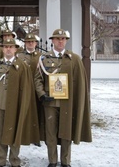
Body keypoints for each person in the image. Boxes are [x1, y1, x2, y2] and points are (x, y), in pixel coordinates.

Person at [34, 29, 92, 167]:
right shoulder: (44, 58)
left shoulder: (74, 58)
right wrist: (42, 94)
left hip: (68, 103)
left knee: (66, 132)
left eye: (63, 39)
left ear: (66, 41)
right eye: (57, 38)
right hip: (50, 102)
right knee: (50, 132)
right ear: (52, 40)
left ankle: (66, 161)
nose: (60, 41)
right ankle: (53, 161)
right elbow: (37, 79)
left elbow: (79, 82)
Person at [0, 38, 39, 167]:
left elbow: (26, 88)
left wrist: (23, 105)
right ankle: (1, 159)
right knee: (0, 133)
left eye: (11, 46)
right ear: (2, 49)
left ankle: (14, 160)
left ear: (16, 49)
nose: (8, 49)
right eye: (6, 46)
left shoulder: (22, 66)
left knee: (15, 132)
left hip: (15, 105)